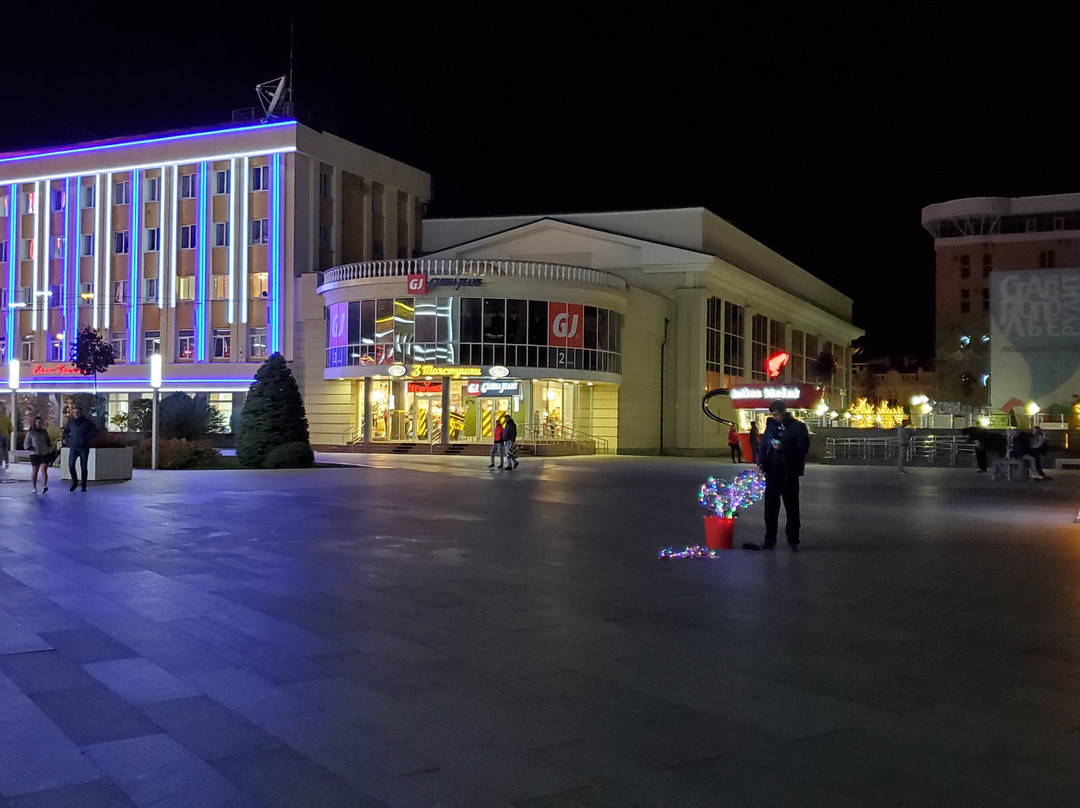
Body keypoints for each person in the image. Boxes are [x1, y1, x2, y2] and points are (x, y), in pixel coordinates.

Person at [744, 399, 810, 552]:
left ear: (784, 412)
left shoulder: (798, 427)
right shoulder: (771, 425)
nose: (775, 418)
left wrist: (783, 447)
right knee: (770, 509)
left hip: (789, 473)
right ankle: (769, 540)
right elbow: (765, 444)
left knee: (792, 508)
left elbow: (803, 447)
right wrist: (761, 461)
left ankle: (793, 539)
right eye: (773, 415)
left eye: (777, 415)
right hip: (772, 471)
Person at [62, 405, 99, 492]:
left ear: (81, 413)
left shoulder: (87, 422)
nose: (76, 414)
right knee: (71, 465)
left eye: (77, 412)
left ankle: (84, 485)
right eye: (74, 412)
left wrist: (88, 438)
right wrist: (68, 439)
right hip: (74, 447)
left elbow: (95, 431)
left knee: (83, 467)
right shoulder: (70, 422)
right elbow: (65, 431)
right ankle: (75, 481)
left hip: (84, 447)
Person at [24, 416, 54, 494]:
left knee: (44, 469)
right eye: (38, 422)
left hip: (44, 453)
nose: (40, 424)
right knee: (35, 471)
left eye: (41, 422)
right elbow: (26, 443)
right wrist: (29, 448)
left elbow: (48, 441)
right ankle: (34, 487)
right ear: (35, 423)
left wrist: (49, 448)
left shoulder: (44, 432)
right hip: (35, 454)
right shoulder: (30, 433)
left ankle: (44, 486)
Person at [0, 406, 13, 470]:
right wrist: (8, 433)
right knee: (6, 449)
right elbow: (11, 428)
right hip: (6, 435)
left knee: (1, 449)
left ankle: (0, 462)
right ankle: (7, 461)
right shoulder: (8, 419)